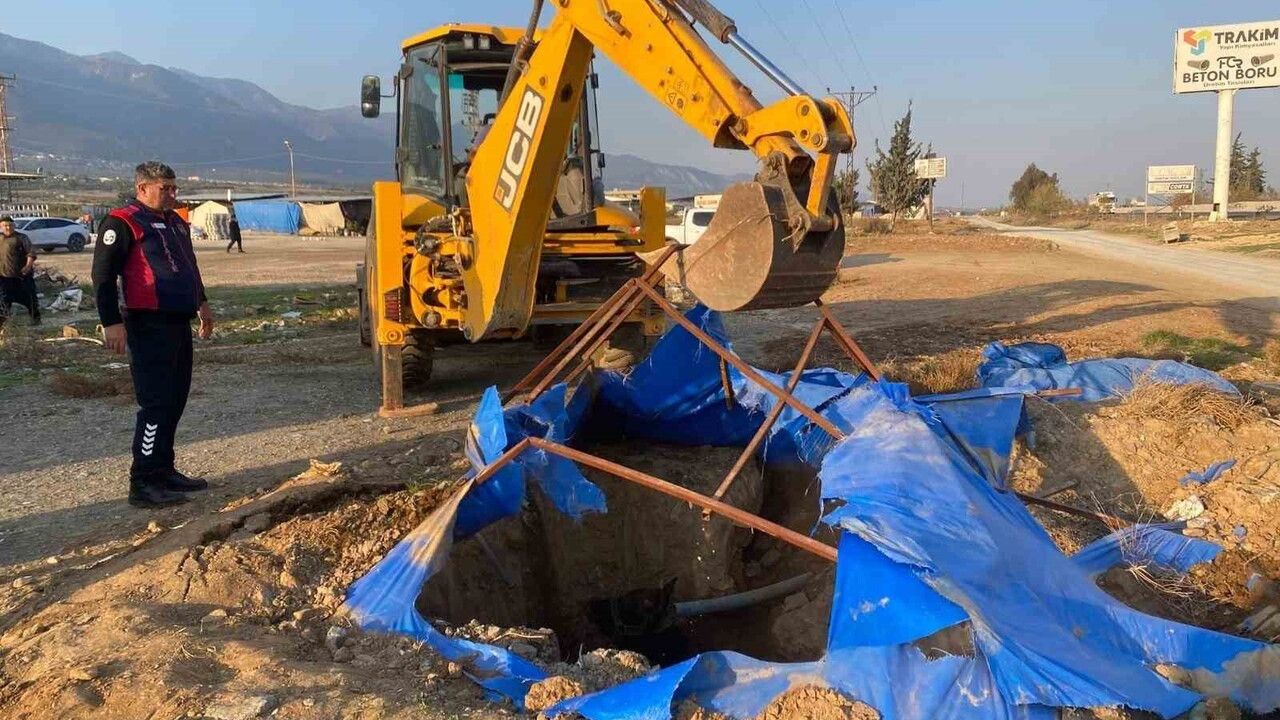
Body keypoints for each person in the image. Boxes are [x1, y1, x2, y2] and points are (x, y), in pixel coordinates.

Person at [92, 161, 215, 509]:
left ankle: (164, 469)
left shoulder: (175, 222)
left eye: (174, 188)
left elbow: (190, 265)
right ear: (143, 187)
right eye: (166, 189)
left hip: (178, 320)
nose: (173, 195)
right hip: (147, 323)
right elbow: (102, 276)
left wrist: (202, 303)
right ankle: (143, 480)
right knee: (156, 403)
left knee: (175, 399)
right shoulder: (122, 221)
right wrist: (110, 322)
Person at [0, 215, 40, 327]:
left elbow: (31, 253)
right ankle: (3, 324)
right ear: (1, 226)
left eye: (9, 225)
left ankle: (35, 319)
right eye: (4, 225)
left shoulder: (21, 237)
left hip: (21, 276)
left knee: (29, 299)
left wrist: (27, 266)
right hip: (4, 277)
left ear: (13, 226)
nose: (7, 228)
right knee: (3, 300)